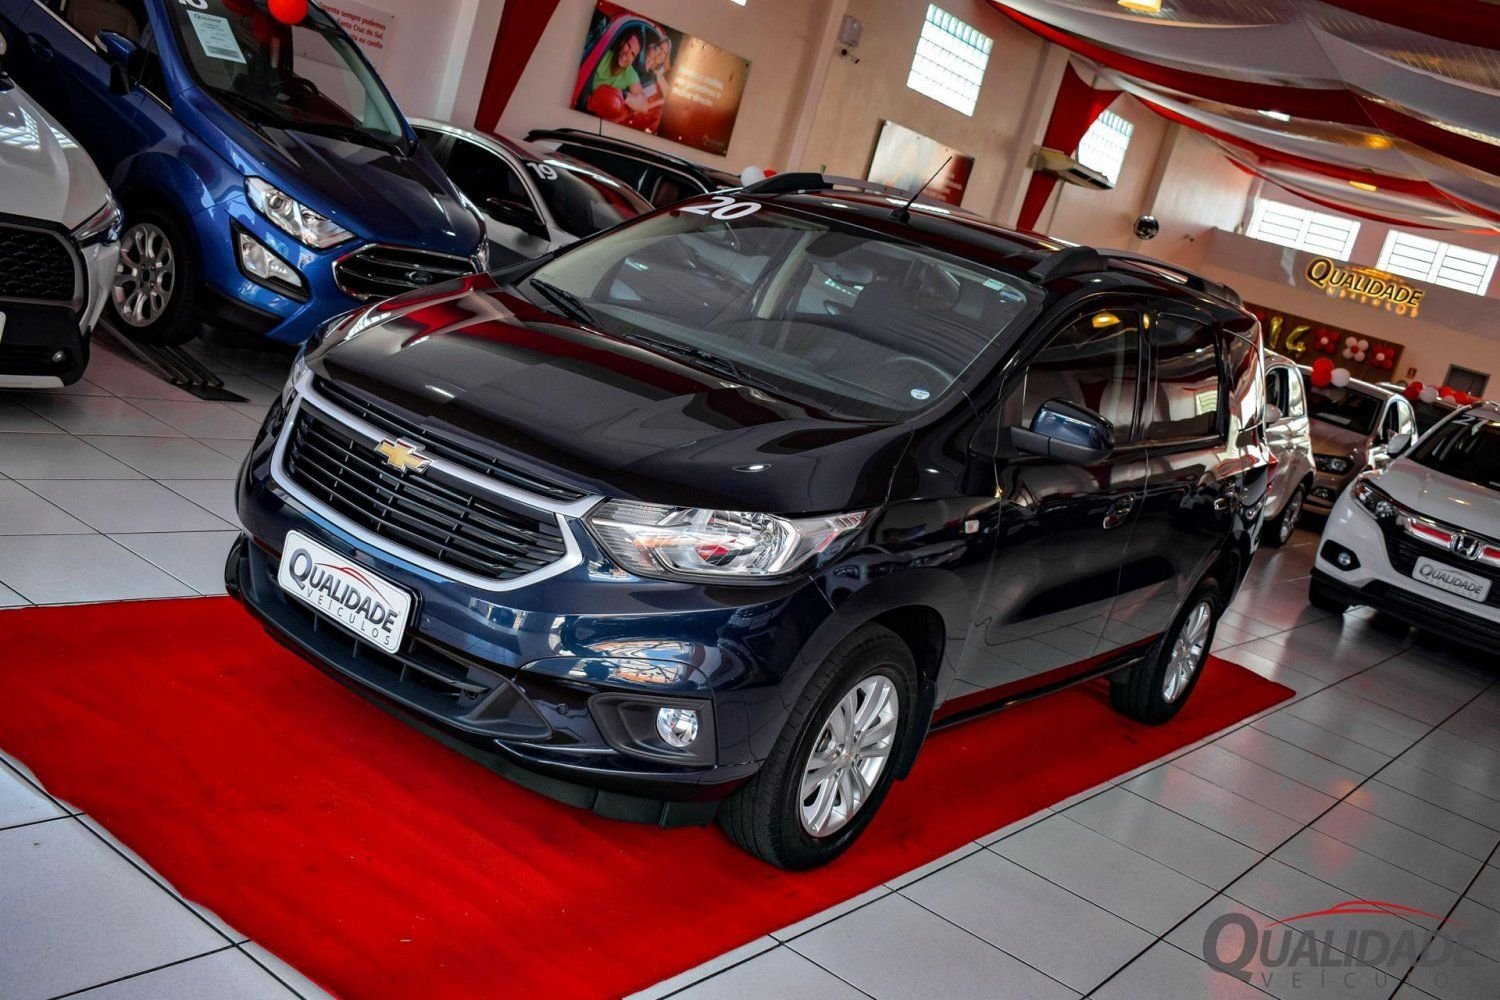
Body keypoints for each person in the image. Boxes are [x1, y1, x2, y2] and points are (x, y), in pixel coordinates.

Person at [585, 26, 650, 125]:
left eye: (632, 54)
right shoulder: (603, 54)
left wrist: (622, 95)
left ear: (633, 60)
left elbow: (644, 106)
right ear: (622, 42)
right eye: (628, 46)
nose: (627, 54)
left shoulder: (629, 74)